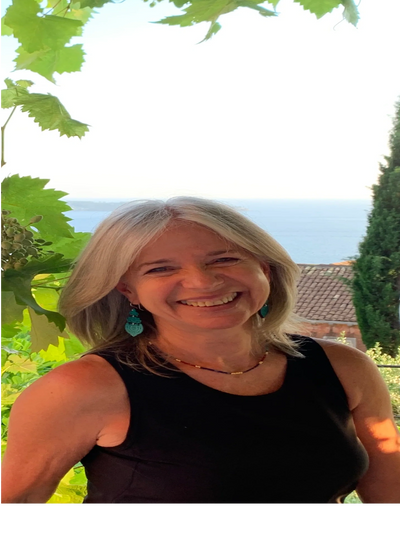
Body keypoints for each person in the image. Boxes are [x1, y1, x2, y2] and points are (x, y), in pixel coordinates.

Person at [2, 196, 400, 506]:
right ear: (128, 290)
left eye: (224, 259)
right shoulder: (82, 388)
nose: (202, 282)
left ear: (264, 268)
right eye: (160, 268)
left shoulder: (342, 367)